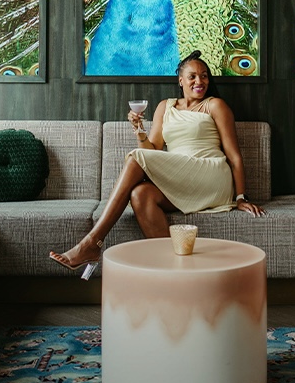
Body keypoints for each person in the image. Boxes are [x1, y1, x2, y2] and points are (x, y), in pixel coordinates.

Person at [49, 50, 266, 273]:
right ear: (180, 80)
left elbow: (234, 156)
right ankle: (175, 271)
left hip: (210, 174)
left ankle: (92, 243)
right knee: (140, 195)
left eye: (204, 76)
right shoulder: (166, 106)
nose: (199, 81)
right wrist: (138, 130)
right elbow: (152, 149)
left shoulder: (215, 106)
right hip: (181, 175)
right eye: (192, 76)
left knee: (136, 158)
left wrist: (240, 197)